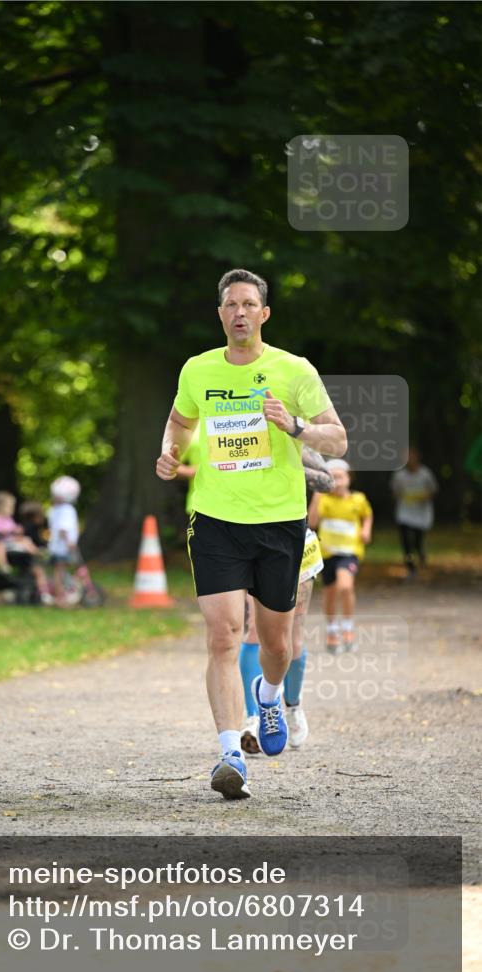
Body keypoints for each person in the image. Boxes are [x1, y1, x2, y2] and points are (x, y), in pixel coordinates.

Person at [156, 267, 347, 800]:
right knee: (221, 637)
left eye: (248, 304)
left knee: (277, 646)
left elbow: (338, 440)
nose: (239, 312)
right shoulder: (197, 370)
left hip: (279, 523)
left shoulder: (294, 370)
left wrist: (296, 427)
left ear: (264, 314)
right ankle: (230, 755)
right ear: (220, 314)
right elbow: (179, 421)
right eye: (230, 305)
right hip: (216, 520)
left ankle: (269, 695)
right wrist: (169, 452)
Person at [239, 446, 335, 752]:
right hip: (245, 537)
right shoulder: (235, 432)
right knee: (253, 629)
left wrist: (280, 465)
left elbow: (328, 481)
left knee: (292, 634)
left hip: (295, 540)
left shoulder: (296, 438)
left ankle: (292, 705)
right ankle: (255, 717)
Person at [308, 460, 373, 653]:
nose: (336, 481)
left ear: (348, 478)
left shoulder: (358, 499)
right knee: (330, 592)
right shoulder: (325, 500)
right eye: (332, 478)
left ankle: (348, 627)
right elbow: (312, 522)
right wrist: (318, 495)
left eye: (340, 477)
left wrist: (366, 530)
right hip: (328, 552)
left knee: (345, 587)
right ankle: (332, 629)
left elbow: (367, 515)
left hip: (350, 552)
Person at [0, 491, 52, 604]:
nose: (12, 510)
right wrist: (9, 531)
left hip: (13, 543)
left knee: (26, 540)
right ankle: (3, 565)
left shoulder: (9, 520)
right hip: (2, 545)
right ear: (1, 506)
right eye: (10, 507)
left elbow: (16, 529)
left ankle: (36, 552)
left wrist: (17, 531)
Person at [390, 447, 438, 578]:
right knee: (406, 541)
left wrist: (423, 497)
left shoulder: (425, 474)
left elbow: (433, 491)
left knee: (418, 540)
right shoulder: (399, 475)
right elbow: (394, 492)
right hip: (404, 513)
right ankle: (411, 567)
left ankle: (421, 555)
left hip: (421, 514)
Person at [47, 476, 81, 607]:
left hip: (55, 546)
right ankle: (60, 597)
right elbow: (63, 529)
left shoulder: (54, 509)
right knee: (60, 572)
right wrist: (70, 543)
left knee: (59, 571)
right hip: (63, 547)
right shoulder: (67, 510)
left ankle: (61, 593)